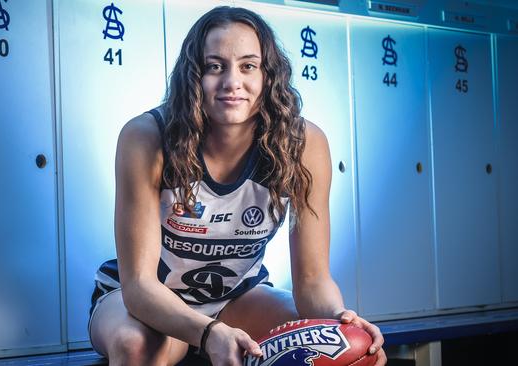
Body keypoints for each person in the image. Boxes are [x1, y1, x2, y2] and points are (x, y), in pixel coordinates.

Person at [88, 6, 386, 366]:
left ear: (268, 76)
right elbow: (138, 286)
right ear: (194, 76)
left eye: (248, 66)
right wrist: (208, 332)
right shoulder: (147, 137)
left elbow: (311, 279)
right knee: (136, 347)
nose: (232, 82)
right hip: (145, 302)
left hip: (237, 299)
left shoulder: (303, 144)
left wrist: (341, 318)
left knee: (347, 344)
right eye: (215, 66)